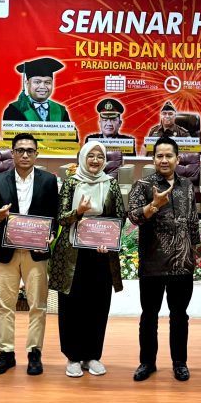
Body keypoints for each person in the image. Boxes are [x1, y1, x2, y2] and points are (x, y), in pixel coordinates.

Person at [49, 141, 126, 377]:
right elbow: (61, 218)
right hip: (72, 254)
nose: (95, 160)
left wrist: (108, 239)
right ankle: (73, 357)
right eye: (91, 156)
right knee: (71, 306)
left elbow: (120, 217)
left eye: (100, 157)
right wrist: (79, 212)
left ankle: (92, 356)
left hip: (100, 254)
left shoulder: (110, 183)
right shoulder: (72, 183)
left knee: (98, 305)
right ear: (82, 158)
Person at [128, 137, 200, 382]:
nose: (164, 160)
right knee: (149, 315)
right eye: (159, 156)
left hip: (182, 264)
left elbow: (192, 220)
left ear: (178, 159)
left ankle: (180, 362)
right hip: (153, 263)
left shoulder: (187, 185)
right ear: (153, 159)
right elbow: (134, 217)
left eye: (169, 155)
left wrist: (195, 248)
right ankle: (147, 362)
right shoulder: (143, 185)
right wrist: (153, 206)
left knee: (180, 315)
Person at [0, 133, 59, 376]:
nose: (25, 154)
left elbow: (54, 214)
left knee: (38, 305)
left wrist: (51, 234)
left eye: (30, 150)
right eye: (20, 150)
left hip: (36, 251)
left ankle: (34, 353)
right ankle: (6, 353)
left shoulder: (49, 180)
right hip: (6, 251)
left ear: (37, 154)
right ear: (12, 153)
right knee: (5, 305)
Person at [2, 57, 73, 123]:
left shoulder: (60, 110)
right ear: (27, 83)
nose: (43, 86)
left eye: (47, 82)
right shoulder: (14, 110)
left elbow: (71, 133)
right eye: (37, 82)